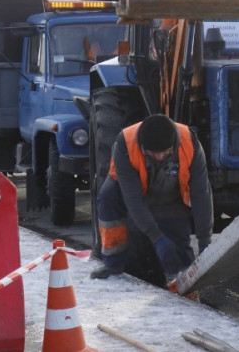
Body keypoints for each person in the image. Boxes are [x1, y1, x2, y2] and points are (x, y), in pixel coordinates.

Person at [91, 114, 213, 288]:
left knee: (180, 259)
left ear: (174, 145)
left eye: (164, 152)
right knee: (107, 196)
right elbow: (133, 200)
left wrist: (204, 243)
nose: (159, 157)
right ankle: (114, 263)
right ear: (142, 146)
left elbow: (201, 195)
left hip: (172, 196)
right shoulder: (125, 143)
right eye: (152, 153)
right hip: (135, 190)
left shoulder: (190, 143)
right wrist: (157, 238)